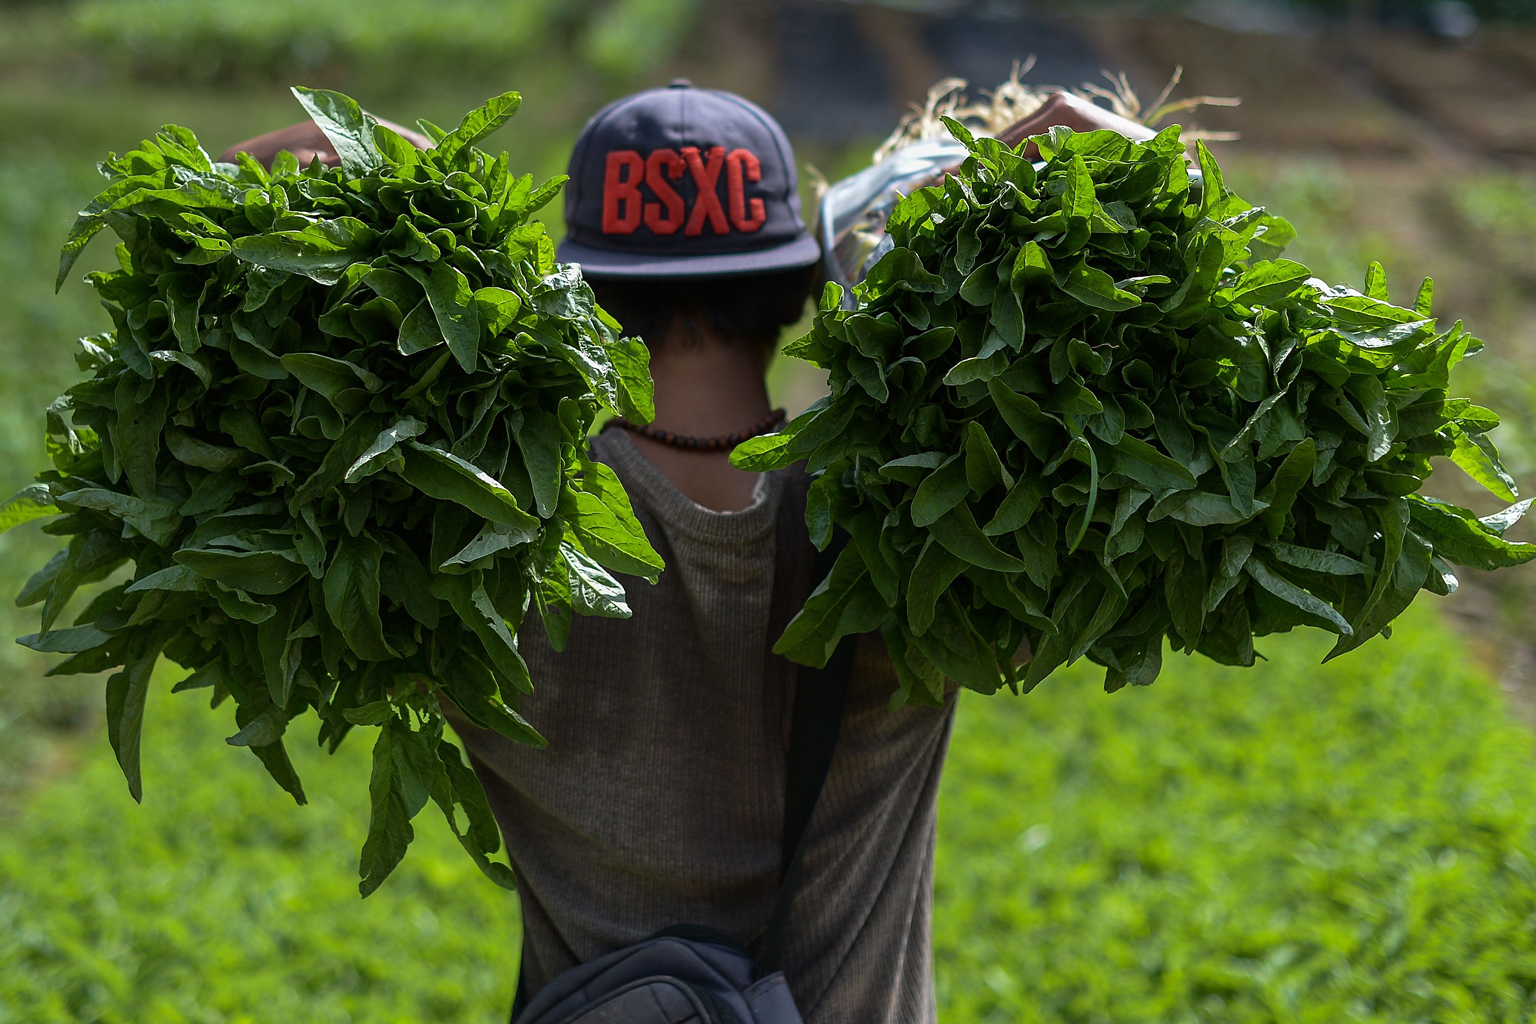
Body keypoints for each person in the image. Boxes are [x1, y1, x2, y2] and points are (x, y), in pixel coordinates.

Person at [223, 79, 1155, 1023]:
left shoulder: (483, 542)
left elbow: (211, 271)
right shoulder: (917, 529)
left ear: (578, 294)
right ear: (802, 290)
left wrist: (423, 198)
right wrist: (1148, 169)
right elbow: (1187, 458)